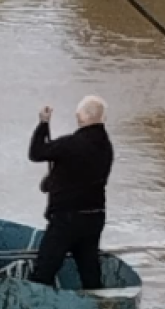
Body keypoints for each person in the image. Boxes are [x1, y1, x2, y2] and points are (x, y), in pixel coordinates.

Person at [27, 95, 114, 290]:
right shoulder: (106, 148)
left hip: (66, 219)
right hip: (94, 216)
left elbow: (36, 152)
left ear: (80, 117)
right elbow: (81, 174)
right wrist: (53, 180)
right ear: (102, 119)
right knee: (90, 272)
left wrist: (43, 123)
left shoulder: (70, 144)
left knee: (44, 272)